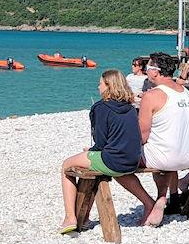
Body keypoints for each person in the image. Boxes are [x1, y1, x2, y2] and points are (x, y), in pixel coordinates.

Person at [117, 52, 189, 227]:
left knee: (116, 161)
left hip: (166, 157)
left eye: (148, 67)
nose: (146, 70)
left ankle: (148, 202)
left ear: (156, 71)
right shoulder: (184, 92)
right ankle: (162, 198)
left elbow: (142, 135)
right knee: (162, 148)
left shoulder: (152, 95)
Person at [58, 70, 142, 233]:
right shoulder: (130, 108)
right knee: (110, 168)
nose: (98, 87)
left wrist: (92, 150)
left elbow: (101, 142)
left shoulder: (101, 108)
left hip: (112, 159)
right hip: (132, 158)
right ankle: (149, 203)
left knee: (66, 166)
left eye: (100, 83)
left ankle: (70, 217)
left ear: (108, 86)